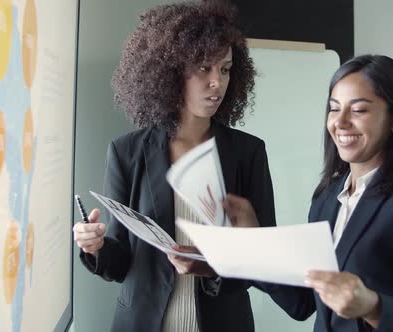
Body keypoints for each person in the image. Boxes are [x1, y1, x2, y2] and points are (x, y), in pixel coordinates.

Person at [72, 2, 276, 331]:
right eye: (204, 68)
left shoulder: (248, 152)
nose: (216, 82)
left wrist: (211, 267)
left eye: (224, 69)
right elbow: (121, 262)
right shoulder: (126, 152)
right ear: (170, 72)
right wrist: (94, 247)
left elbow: (261, 258)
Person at [224, 54, 393, 331]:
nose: (341, 122)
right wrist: (253, 242)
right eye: (334, 109)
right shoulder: (328, 194)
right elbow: (302, 302)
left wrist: (373, 308)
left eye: (359, 110)